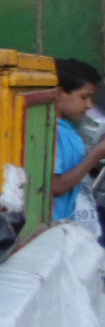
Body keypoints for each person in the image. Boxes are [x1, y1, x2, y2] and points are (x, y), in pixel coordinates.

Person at [51, 58, 105, 234]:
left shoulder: (66, 129)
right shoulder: (52, 131)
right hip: (52, 229)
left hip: (66, 227)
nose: (89, 105)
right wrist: (96, 155)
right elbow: (56, 187)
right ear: (59, 93)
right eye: (84, 97)